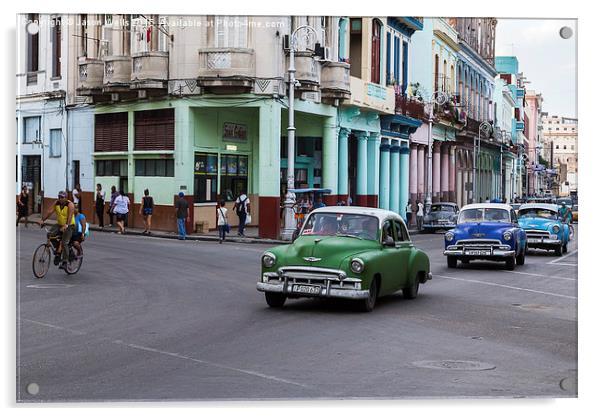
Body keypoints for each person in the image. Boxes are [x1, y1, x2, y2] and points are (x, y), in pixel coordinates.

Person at [40, 191, 75, 270]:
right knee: (49, 234)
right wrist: (43, 220)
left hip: (69, 226)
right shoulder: (56, 203)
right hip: (59, 224)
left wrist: (66, 225)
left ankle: (65, 262)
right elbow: (49, 212)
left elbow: (70, 217)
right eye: (59, 197)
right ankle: (58, 251)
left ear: (66, 198)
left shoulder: (70, 205)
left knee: (64, 242)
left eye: (62, 197)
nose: (60, 199)